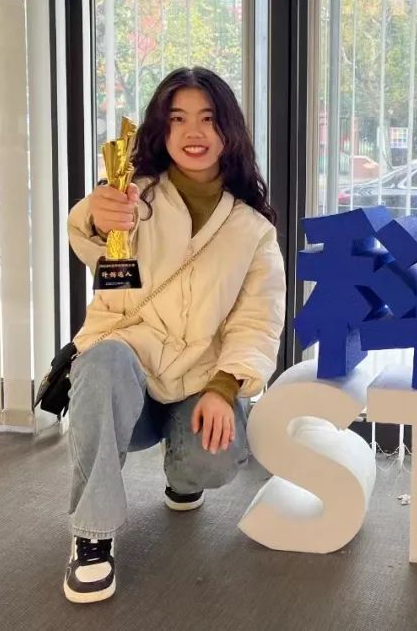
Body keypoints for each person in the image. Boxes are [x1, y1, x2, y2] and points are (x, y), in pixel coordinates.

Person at [61, 67, 285, 604]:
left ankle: (182, 476)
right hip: (128, 374)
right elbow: (91, 237)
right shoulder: (132, 197)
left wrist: (225, 387)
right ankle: (91, 535)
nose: (193, 132)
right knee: (103, 361)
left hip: (196, 381)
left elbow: (257, 320)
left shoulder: (252, 229)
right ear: (161, 130)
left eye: (208, 118)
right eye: (178, 118)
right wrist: (96, 214)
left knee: (212, 461)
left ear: (228, 130)